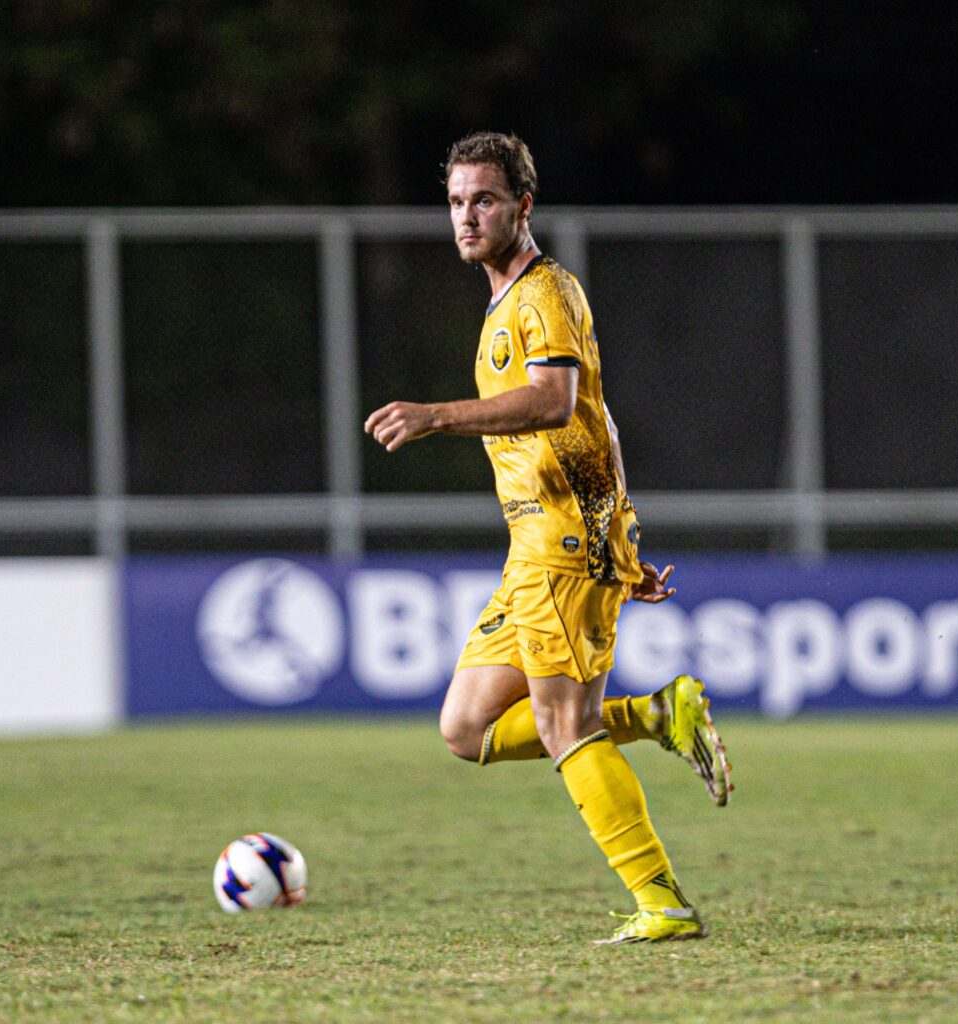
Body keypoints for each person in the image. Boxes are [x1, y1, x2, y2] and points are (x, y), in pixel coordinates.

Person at [364, 131, 731, 944]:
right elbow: (598, 425)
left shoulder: (545, 294)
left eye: (484, 200)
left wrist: (436, 416)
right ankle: (658, 713)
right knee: (465, 729)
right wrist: (622, 533)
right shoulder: (504, 298)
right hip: (544, 545)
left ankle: (661, 902)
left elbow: (556, 403)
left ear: (522, 207)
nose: (466, 216)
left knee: (566, 726)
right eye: (457, 201)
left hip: (563, 547)